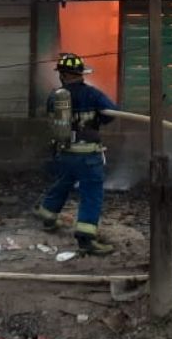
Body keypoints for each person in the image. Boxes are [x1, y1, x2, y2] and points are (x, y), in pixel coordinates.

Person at [33, 53, 117, 255]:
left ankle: (47, 217)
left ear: (62, 75)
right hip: (88, 155)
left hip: (65, 153)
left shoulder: (55, 96)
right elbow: (112, 113)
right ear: (81, 74)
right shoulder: (93, 94)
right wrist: (96, 119)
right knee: (91, 194)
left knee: (63, 183)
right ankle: (86, 238)